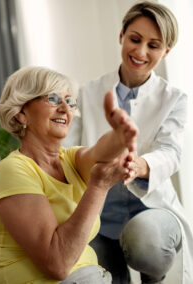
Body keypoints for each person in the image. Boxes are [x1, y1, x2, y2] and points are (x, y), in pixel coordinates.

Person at [63, 1, 193, 283]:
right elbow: (69, 151)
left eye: (154, 45)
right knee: (100, 276)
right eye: (135, 39)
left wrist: (141, 164)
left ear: (166, 51)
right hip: (100, 218)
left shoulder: (175, 99)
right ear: (121, 35)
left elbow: (171, 152)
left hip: (153, 209)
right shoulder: (89, 92)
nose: (140, 51)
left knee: (145, 244)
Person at [0, 66, 139, 283]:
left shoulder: (70, 159)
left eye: (70, 101)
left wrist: (121, 134)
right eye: (54, 99)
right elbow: (57, 264)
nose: (66, 108)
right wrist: (99, 187)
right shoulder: (13, 170)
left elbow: (100, 152)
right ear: (21, 113)